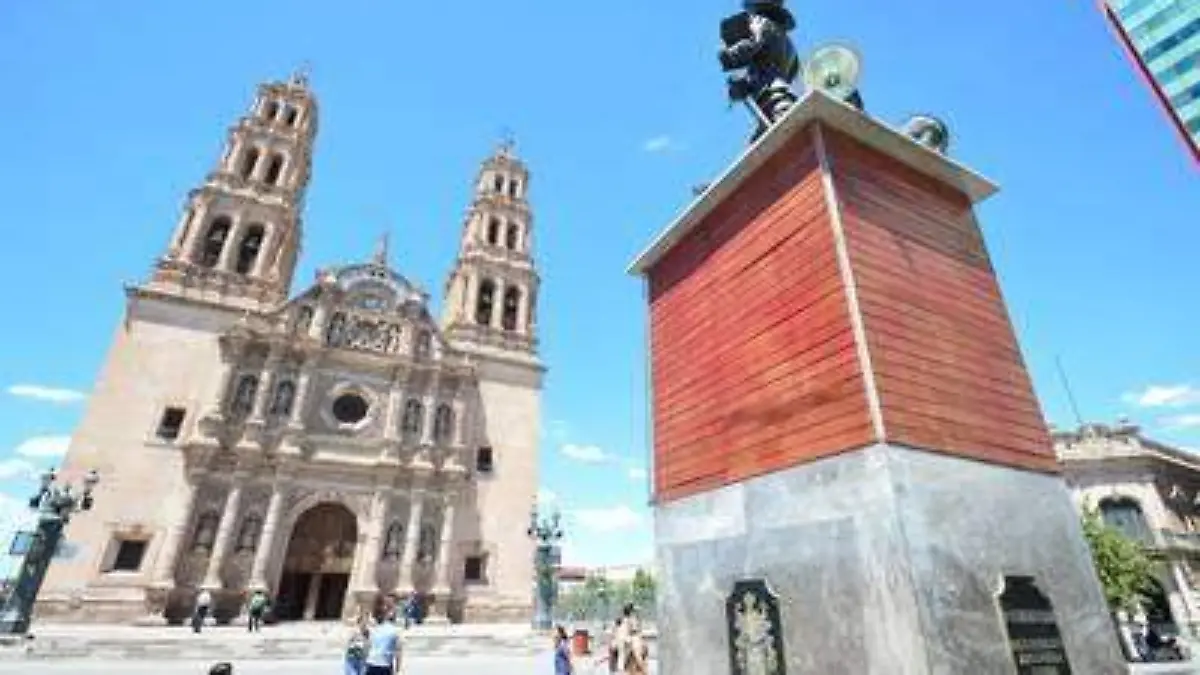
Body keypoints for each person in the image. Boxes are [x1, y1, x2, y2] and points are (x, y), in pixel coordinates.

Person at [364, 600, 404, 675]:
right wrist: (398, 670)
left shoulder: (373, 629)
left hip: (371, 664)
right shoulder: (395, 630)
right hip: (384, 666)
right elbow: (398, 651)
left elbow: (367, 645)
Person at [344, 610, 371, 675]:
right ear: (359, 622)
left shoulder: (367, 632)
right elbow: (348, 642)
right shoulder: (354, 631)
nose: (365, 624)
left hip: (362, 658)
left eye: (367, 622)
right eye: (364, 622)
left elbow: (368, 645)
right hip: (352, 657)